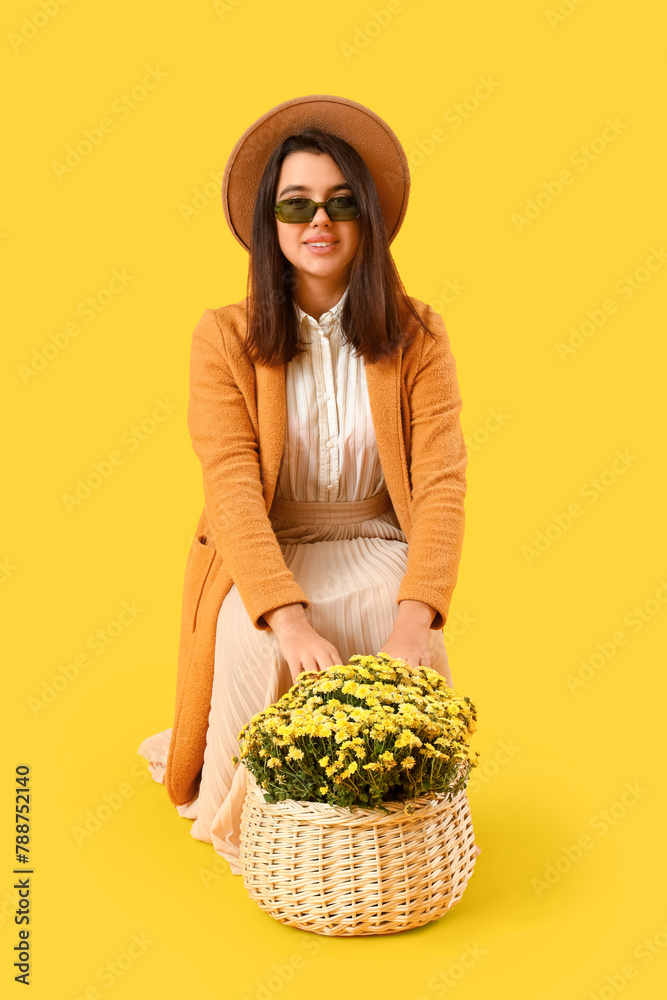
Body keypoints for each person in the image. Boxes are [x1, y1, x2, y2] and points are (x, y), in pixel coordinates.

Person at [137, 94, 469, 876]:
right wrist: (286, 622)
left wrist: (414, 624)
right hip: (266, 556)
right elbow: (230, 491)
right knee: (252, 644)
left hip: (380, 541)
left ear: (366, 218)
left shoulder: (419, 333)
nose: (317, 222)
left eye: (339, 202)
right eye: (296, 204)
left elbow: (444, 483)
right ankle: (268, 831)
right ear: (270, 221)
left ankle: (394, 830)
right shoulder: (222, 336)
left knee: (404, 643)